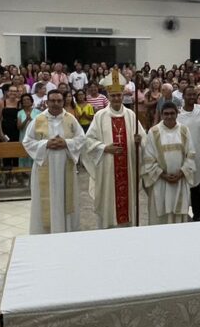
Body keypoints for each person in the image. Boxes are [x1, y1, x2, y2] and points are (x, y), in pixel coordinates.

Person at [83, 71, 143, 229]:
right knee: (109, 200)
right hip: (108, 167)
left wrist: (139, 141)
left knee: (127, 203)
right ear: (108, 96)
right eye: (113, 95)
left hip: (127, 167)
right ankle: (108, 228)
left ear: (123, 96)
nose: (116, 98)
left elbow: (144, 139)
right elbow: (88, 140)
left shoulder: (131, 115)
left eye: (119, 95)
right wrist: (104, 148)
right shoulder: (100, 116)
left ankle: (127, 228)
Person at [23, 90, 86, 234]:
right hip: (45, 165)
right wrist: (46, 144)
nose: (56, 103)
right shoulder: (38, 119)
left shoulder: (70, 119)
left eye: (59, 100)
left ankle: (67, 231)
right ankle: (44, 233)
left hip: (65, 167)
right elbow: (27, 141)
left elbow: (81, 138)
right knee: (45, 200)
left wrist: (66, 143)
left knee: (66, 199)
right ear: (47, 102)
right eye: (52, 100)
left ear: (63, 102)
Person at [142, 102, 196, 225]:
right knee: (160, 218)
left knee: (178, 218)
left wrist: (182, 173)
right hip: (160, 182)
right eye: (166, 114)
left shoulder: (184, 130)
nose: (169, 116)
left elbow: (191, 154)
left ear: (177, 114)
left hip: (180, 181)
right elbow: (148, 158)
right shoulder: (154, 132)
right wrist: (162, 175)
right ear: (161, 115)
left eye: (172, 113)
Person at [175, 87, 200, 222]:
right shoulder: (178, 114)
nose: (192, 97)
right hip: (181, 154)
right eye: (189, 94)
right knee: (183, 185)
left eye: (194, 94)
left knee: (195, 186)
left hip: (198, 154)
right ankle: (182, 213)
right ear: (183, 96)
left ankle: (197, 215)